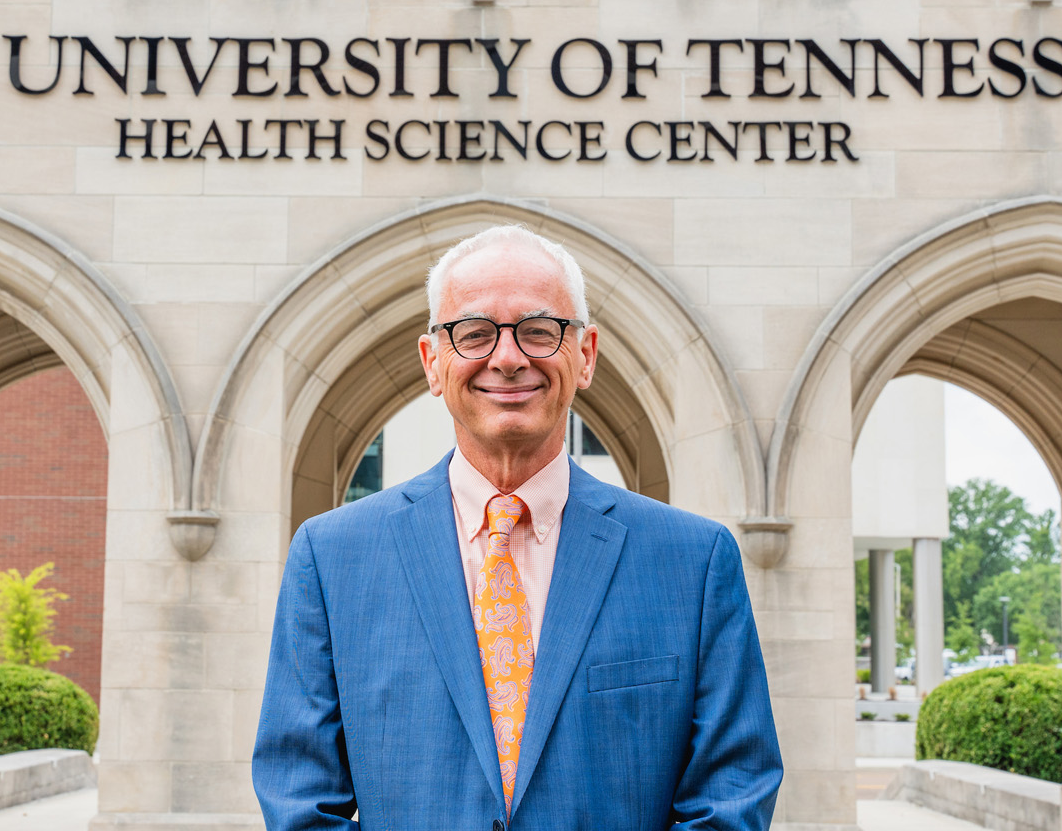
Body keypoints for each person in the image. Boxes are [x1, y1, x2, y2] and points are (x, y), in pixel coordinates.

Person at [253, 225, 782, 830]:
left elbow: (731, 794)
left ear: (584, 355)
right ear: (433, 363)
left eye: (538, 330)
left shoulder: (694, 562)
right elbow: (300, 801)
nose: (507, 359)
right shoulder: (331, 559)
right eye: (473, 334)